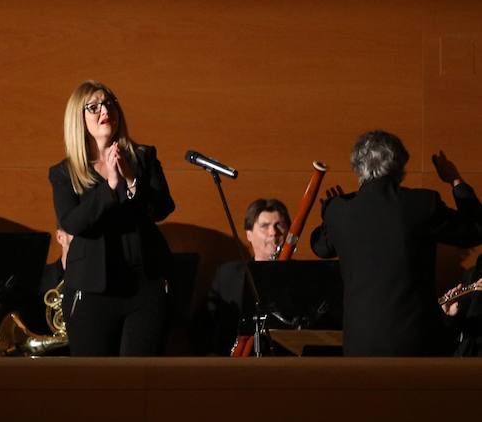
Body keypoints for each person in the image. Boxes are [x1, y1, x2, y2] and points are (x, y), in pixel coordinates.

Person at [310, 131, 482, 356]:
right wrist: (455, 180)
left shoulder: (338, 210)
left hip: (360, 346)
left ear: (357, 167)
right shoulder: (422, 203)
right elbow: (475, 231)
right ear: (399, 165)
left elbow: (320, 247)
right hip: (415, 344)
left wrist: (333, 214)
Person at [49, 80, 175, 356]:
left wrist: (130, 180)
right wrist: (108, 188)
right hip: (92, 291)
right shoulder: (65, 172)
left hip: (145, 288)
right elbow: (72, 222)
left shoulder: (142, 158)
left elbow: (163, 208)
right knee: (96, 378)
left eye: (109, 103)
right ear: (78, 119)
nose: (105, 110)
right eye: (93, 107)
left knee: (140, 376)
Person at [206, 198, 290, 354]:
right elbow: (210, 325)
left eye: (279, 225)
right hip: (237, 360)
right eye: (265, 226)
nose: (273, 232)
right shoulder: (227, 274)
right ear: (249, 234)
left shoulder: (299, 275)